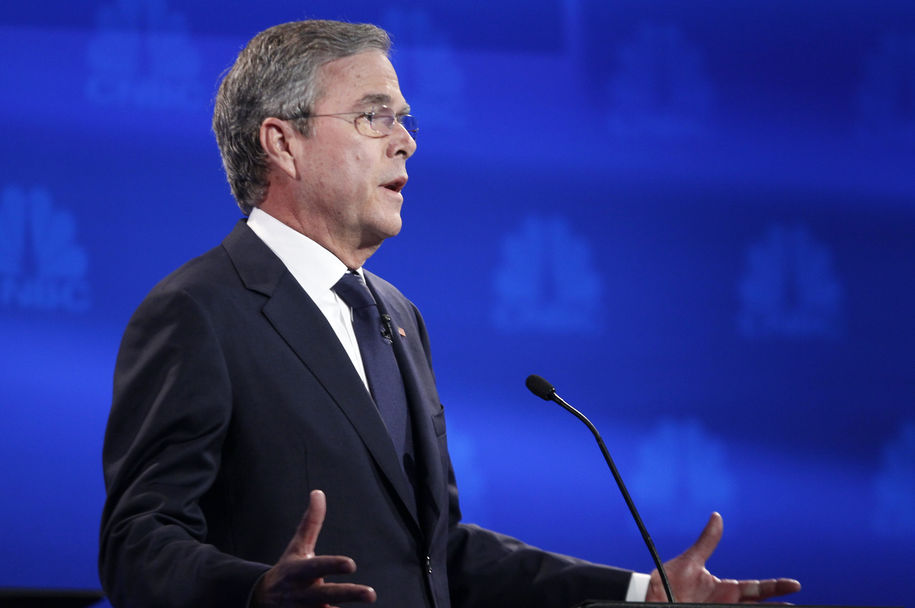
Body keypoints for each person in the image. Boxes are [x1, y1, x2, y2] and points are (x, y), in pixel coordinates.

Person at [99, 19, 801, 608]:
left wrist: (639, 592)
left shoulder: (396, 315)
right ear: (283, 143)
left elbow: (438, 555)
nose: (404, 140)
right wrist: (254, 592)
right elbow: (137, 540)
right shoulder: (198, 310)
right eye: (373, 115)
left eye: (403, 118)